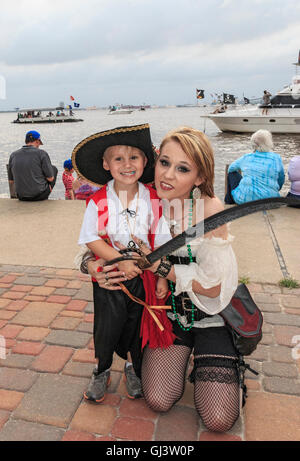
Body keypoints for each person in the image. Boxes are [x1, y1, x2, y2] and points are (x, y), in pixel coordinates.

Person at [83, 127, 244, 433]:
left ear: (199, 177)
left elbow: (213, 286)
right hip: (168, 314)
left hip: (211, 313)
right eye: (164, 162)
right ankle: (184, 357)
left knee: (218, 419)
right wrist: (91, 265)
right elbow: (105, 236)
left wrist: (163, 270)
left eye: (182, 168)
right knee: (157, 399)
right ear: (153, 161)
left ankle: (219, 359)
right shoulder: (148, 196)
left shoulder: (207, 210)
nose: (168, 175)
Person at [74, 124, 171, 403]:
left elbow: (162, 241)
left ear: (145, 162)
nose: (127, 165)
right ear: (106, 164)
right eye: (118, 158)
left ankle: (133, 366)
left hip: (143, 278)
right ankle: (101, 368)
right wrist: (119, 260)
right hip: (110, 277)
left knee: (136, 323)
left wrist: (162, 277)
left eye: (134, 157)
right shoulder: (98, 201)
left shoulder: (153, 199)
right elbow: (92, 240)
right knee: (107, 326)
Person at [224, 129, 285, 205]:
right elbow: (281, 179)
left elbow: (231, 169)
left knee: (232, 173)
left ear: (253, 144)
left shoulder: (246, 157)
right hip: (271, 200)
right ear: (269, 143)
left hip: (245, 201)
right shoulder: (276, 158)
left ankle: (229, 201)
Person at [8, 130, 58, 201]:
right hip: (39, 196)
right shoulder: (42, 153)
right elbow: (50, 178)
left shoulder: (13, 155)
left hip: (21, 196)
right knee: (54, 169)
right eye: (39, 144)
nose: (38, 146)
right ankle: (45, 191)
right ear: (37, 141)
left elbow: (11, 181)